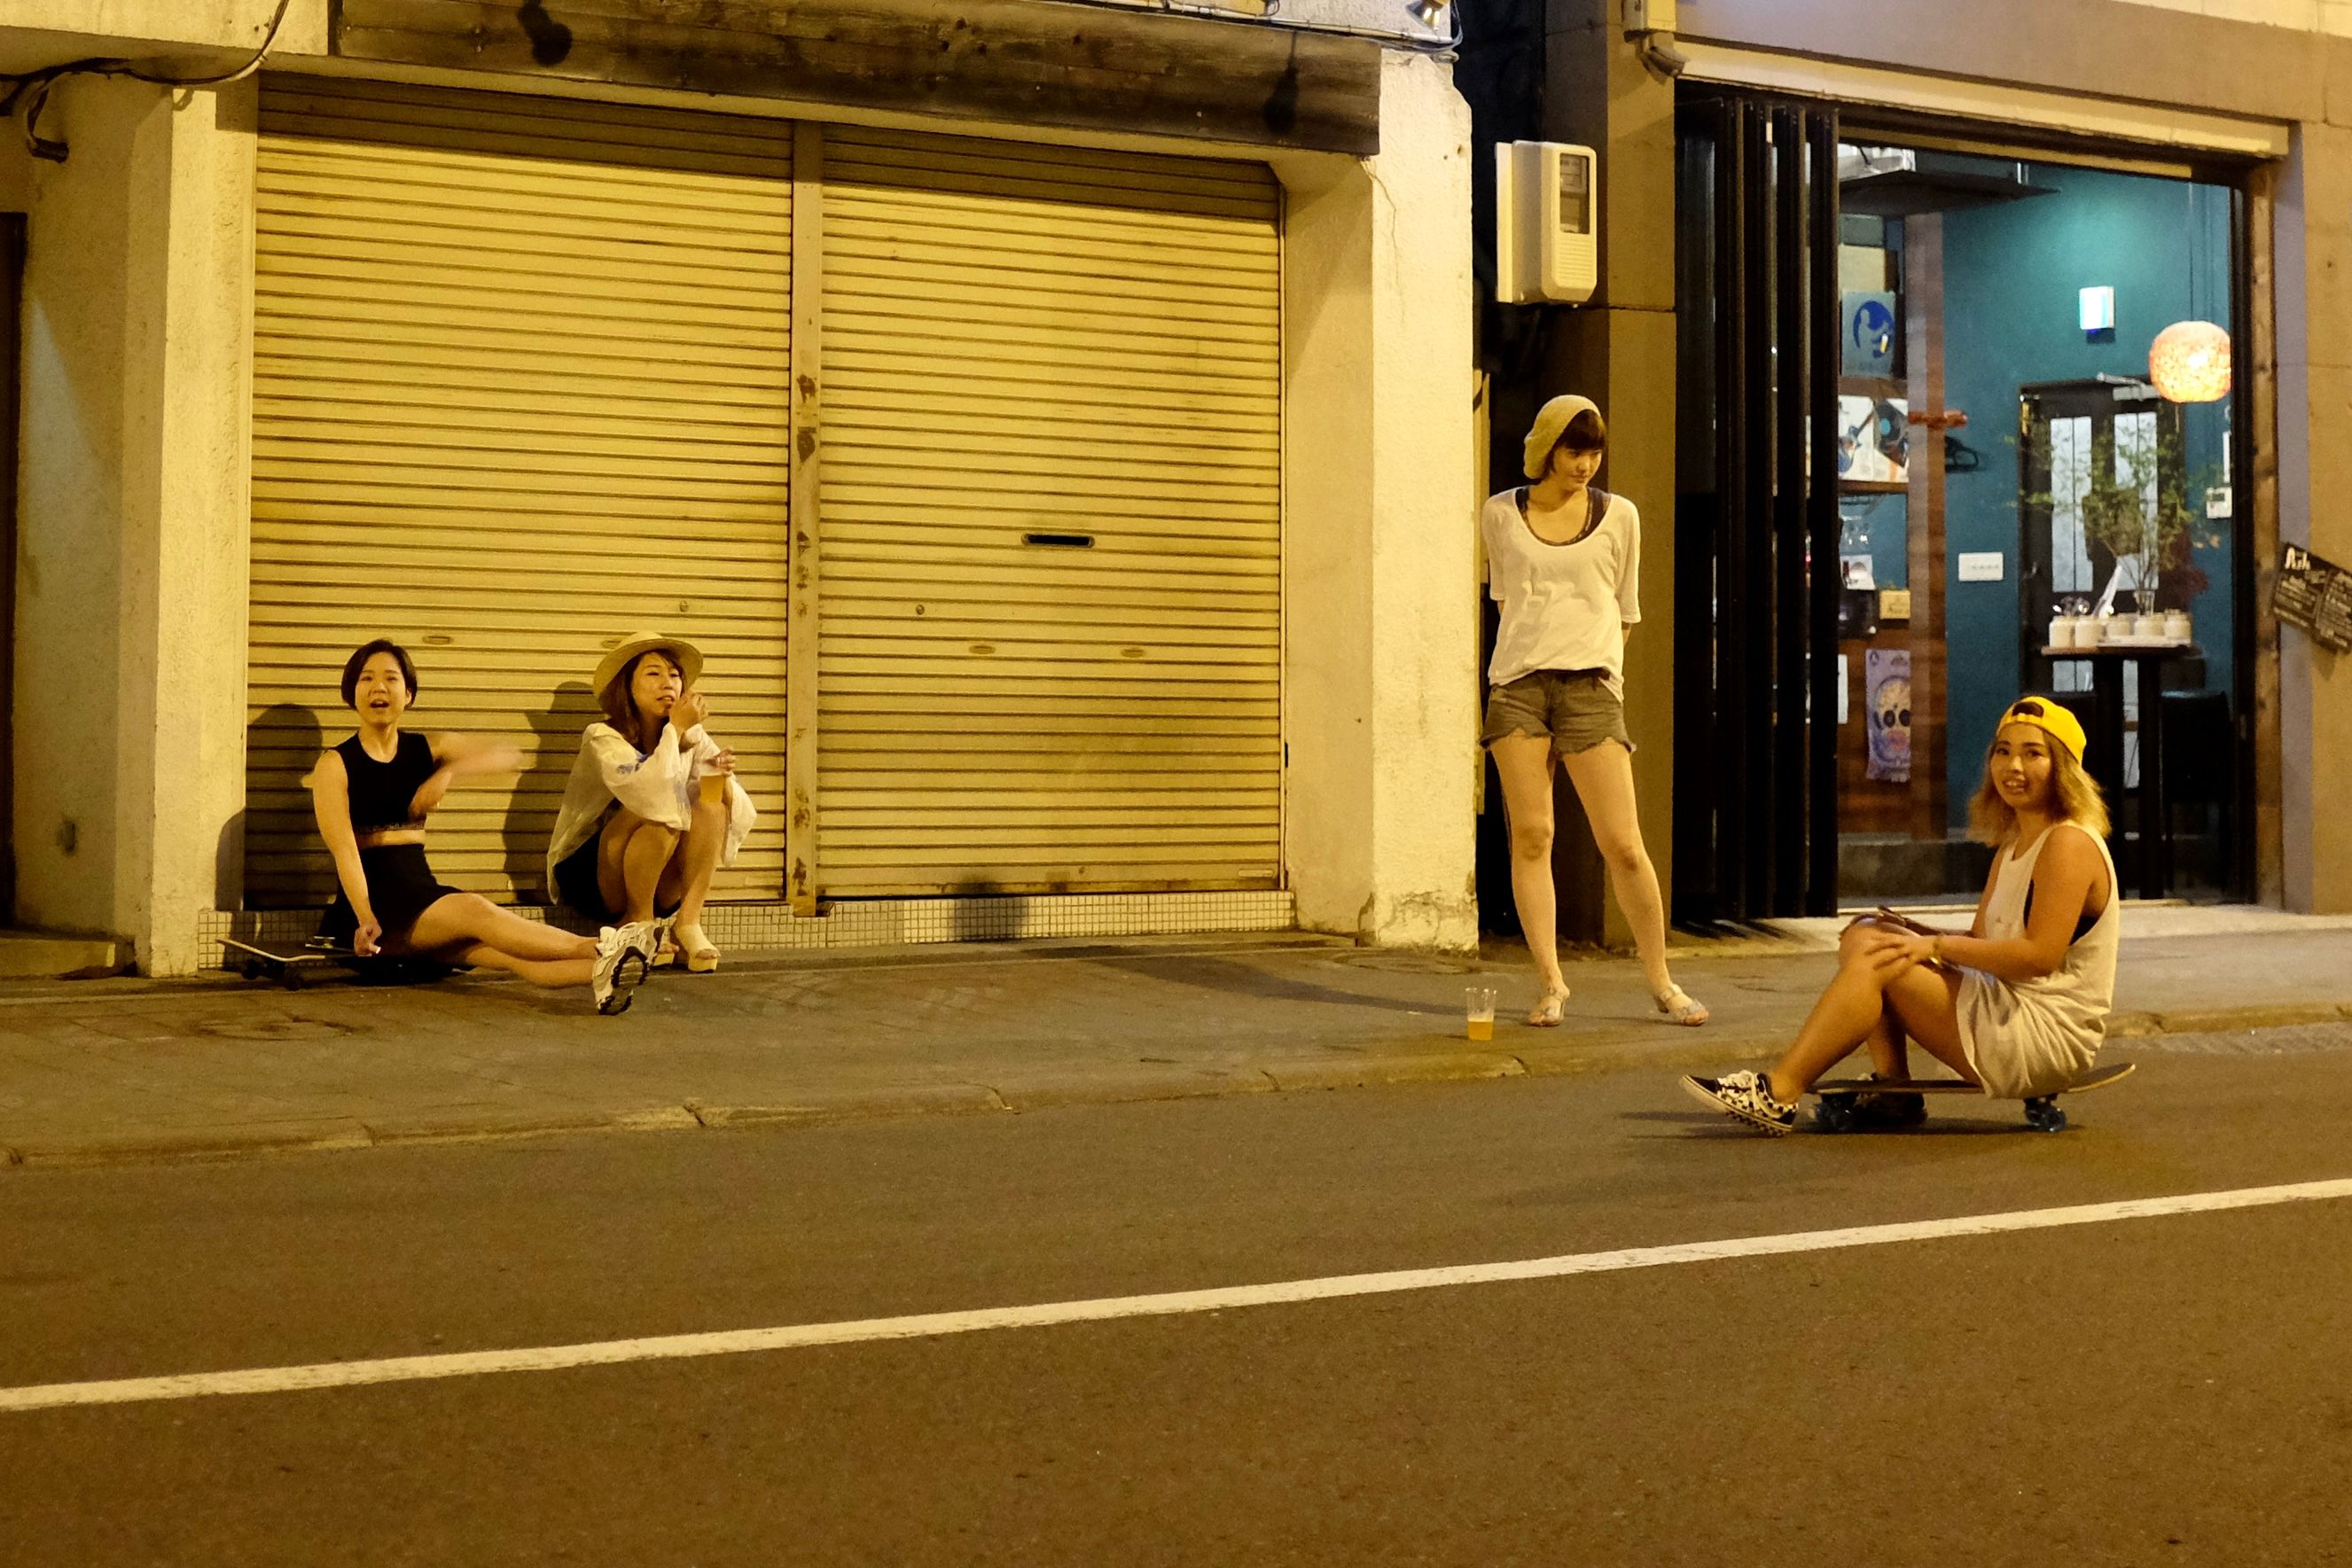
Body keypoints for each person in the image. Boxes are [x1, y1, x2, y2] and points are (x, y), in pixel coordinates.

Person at [1681, 697, 2120, 1135]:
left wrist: (1932, 946)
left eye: (2033, 754)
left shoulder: (2068, 844)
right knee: (1867, 934)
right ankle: (1895, 1090)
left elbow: (2038, 957)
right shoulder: (2014, 843)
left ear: (2063, 767)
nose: (2013, 767)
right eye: (2003, 752)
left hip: (2043, 1036)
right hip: (2007, 1006)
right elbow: (1983, 940)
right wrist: (1916, 931)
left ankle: (1779, 1092)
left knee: (1882, 961)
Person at [1481, 394, 1707, 1028]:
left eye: (1593, 452)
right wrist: (1537, 652)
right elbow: (1507, 599)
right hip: (1517, 687)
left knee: (1623, 843)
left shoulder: (1620, 516)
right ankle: (1551, 983)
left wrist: (1597, 668)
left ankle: (1661, 980)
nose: (1584, 464)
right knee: (1532, 835)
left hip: (1590, 688)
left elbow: (1626, 607)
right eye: (1573, 450)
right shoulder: (1500, 512)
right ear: (1547, 448)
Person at [309, 639, 657, 1015]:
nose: (379, 687)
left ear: (408, 694)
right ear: (352, 692)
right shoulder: (335, 764)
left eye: (391, 679)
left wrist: (448, 773)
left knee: (508, 958)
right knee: (477, 910)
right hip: (377, 909)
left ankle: (602, 972)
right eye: (367, 679)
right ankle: (604, 946)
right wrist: (366, 917)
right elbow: (344, 850)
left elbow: (508, 755)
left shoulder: (426, 749)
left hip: (420, 895)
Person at [544, 631, 755, 973]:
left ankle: (687, 922)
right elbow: (648, 790)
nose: (667, 684)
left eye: (674, 675)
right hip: (595, 877)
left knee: (711, 794)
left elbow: (740, 809)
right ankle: (638, 920)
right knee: (660, 805)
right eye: (653, 674)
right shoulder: (603, 736)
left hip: (662, 875)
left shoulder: (691, 734)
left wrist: (716, 774)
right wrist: (676, 732)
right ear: (627, 686)